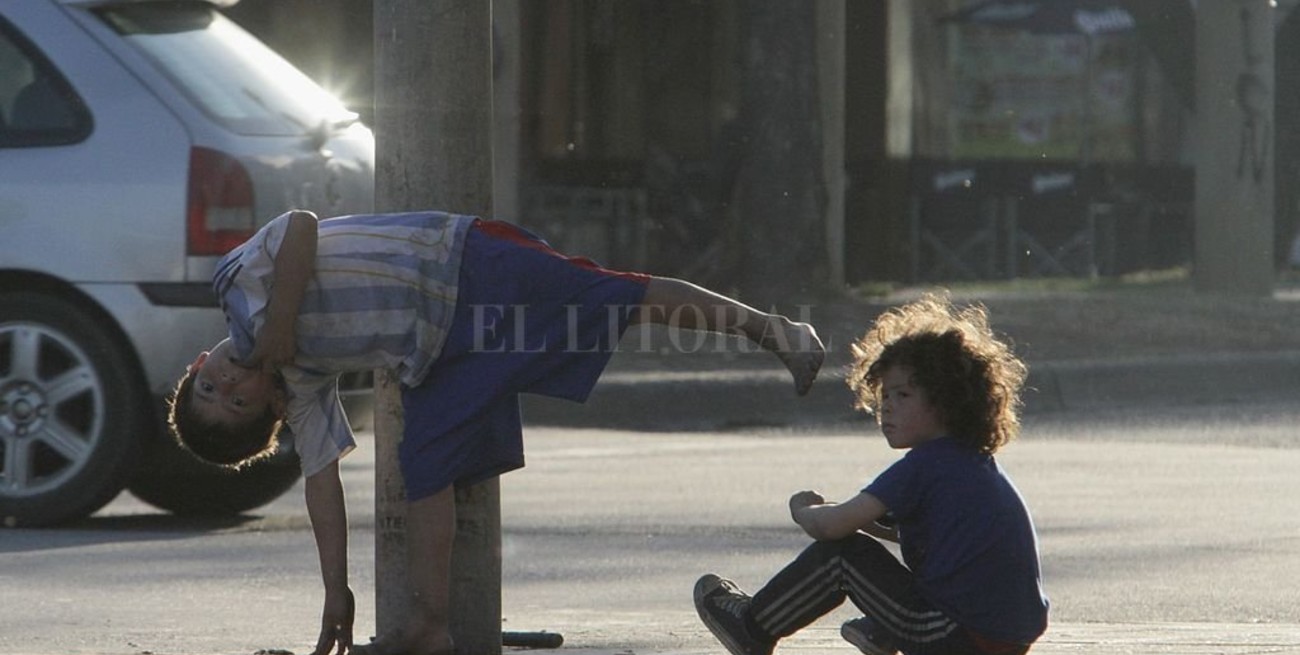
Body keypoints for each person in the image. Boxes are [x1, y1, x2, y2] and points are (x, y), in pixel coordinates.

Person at [166, 209, 825, 655]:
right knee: (422, 464)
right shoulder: (302, 388)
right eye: (234, 401)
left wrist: (279, 319)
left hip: (461, 259)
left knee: (619, 298)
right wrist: (335, 589)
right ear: (268, 412)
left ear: (199, 362)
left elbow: (300, 227)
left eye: (210, 383)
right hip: (440, 348)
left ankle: (775, 331)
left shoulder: (238, 293)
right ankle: (431, 627)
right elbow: (322, 487)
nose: (229, 382)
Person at [693, 293, 1048, 655]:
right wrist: (855, 517)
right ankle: (883, 631)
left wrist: (805, 510)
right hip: (1005, 639)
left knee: (843, 557)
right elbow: (913, 532)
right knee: (889, 560)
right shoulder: (969, 463)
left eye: (903, 395)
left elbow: (831, 528)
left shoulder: (924, 465)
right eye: (884, 395)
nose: (887, 406)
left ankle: (753, 627)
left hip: (955, 635)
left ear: (948, 401)